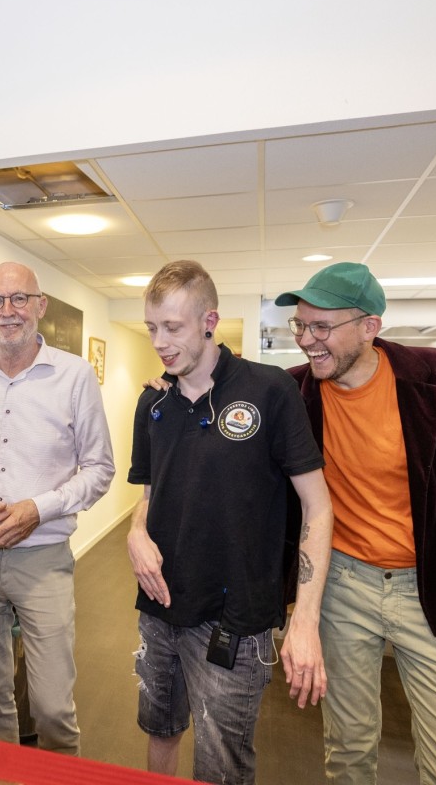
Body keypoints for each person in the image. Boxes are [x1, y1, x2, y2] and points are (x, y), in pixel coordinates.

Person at [274, 262, 436, 784]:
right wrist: (169, 386)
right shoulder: (293, 391)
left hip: (430, 585)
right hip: (342, 585)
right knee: (349, 750)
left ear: (369, 326)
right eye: (300, 325)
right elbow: (227, 399)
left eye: (321, 327)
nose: (307, 340)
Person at [128, 260, 334, 785]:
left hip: (234, 618)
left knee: (221, 761)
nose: (160, 342)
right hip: (159, 606)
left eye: (172, 327)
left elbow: (317, 506)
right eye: (152, 327)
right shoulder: (153, 402)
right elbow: (149, 495)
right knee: (160, 728)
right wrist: (135, 532)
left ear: (209, 321)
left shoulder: (269, 391)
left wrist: (305, 619)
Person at [0, 261, 115, 755]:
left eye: (20, 299)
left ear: (40, 306)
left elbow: (100, 468)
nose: (8, 310)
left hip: (43, 561)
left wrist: (39, 508)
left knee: (53, 708)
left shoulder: (74, 376)